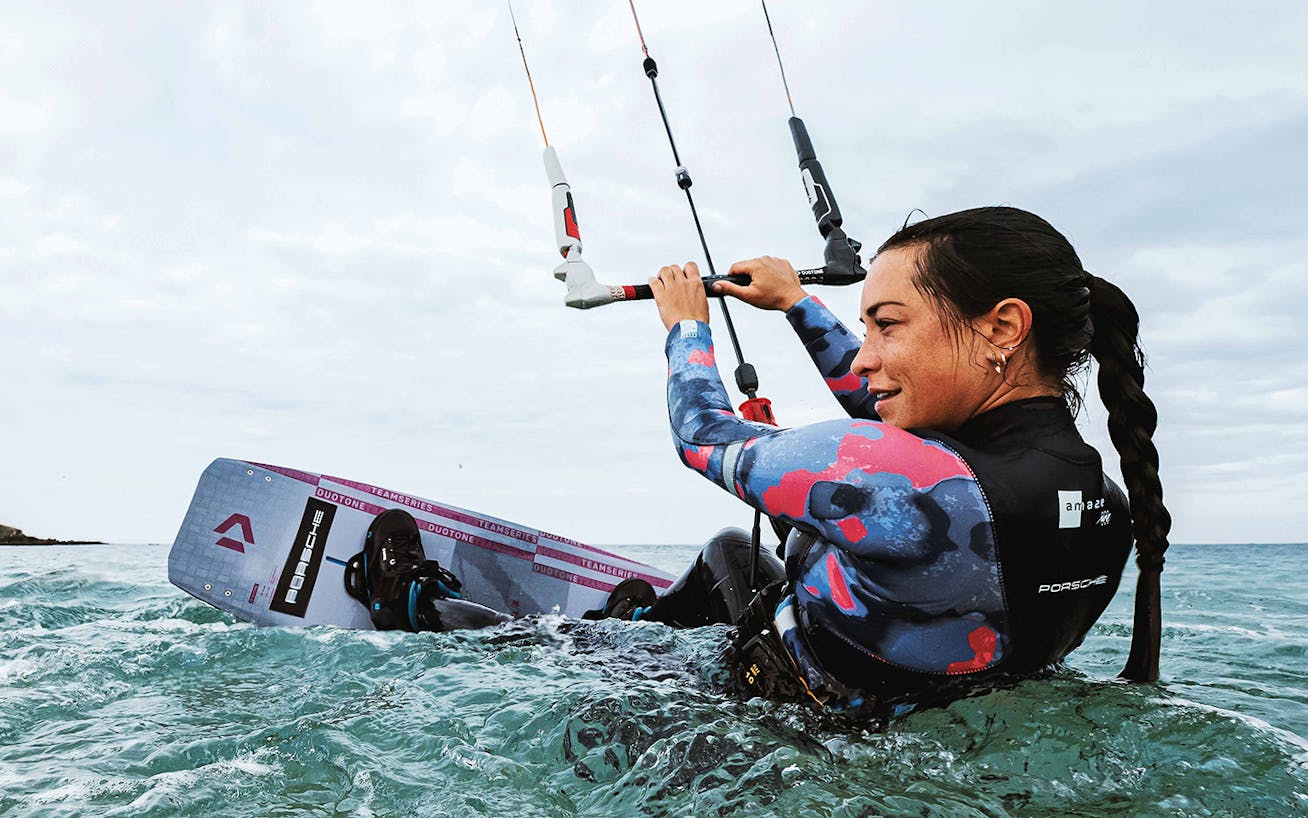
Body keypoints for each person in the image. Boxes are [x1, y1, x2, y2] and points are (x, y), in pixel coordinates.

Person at [618, 206, 1170, 713]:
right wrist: (796, 302)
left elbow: (702, 436)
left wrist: (686, 325)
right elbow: (892, 416)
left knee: (728, 550)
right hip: (941, 732)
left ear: (1002, 328)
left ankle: (603, 636)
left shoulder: (900, 479)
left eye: (888, 325)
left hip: (779, 728)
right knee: (739, 557)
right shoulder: (1107, 503)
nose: (863, 359)